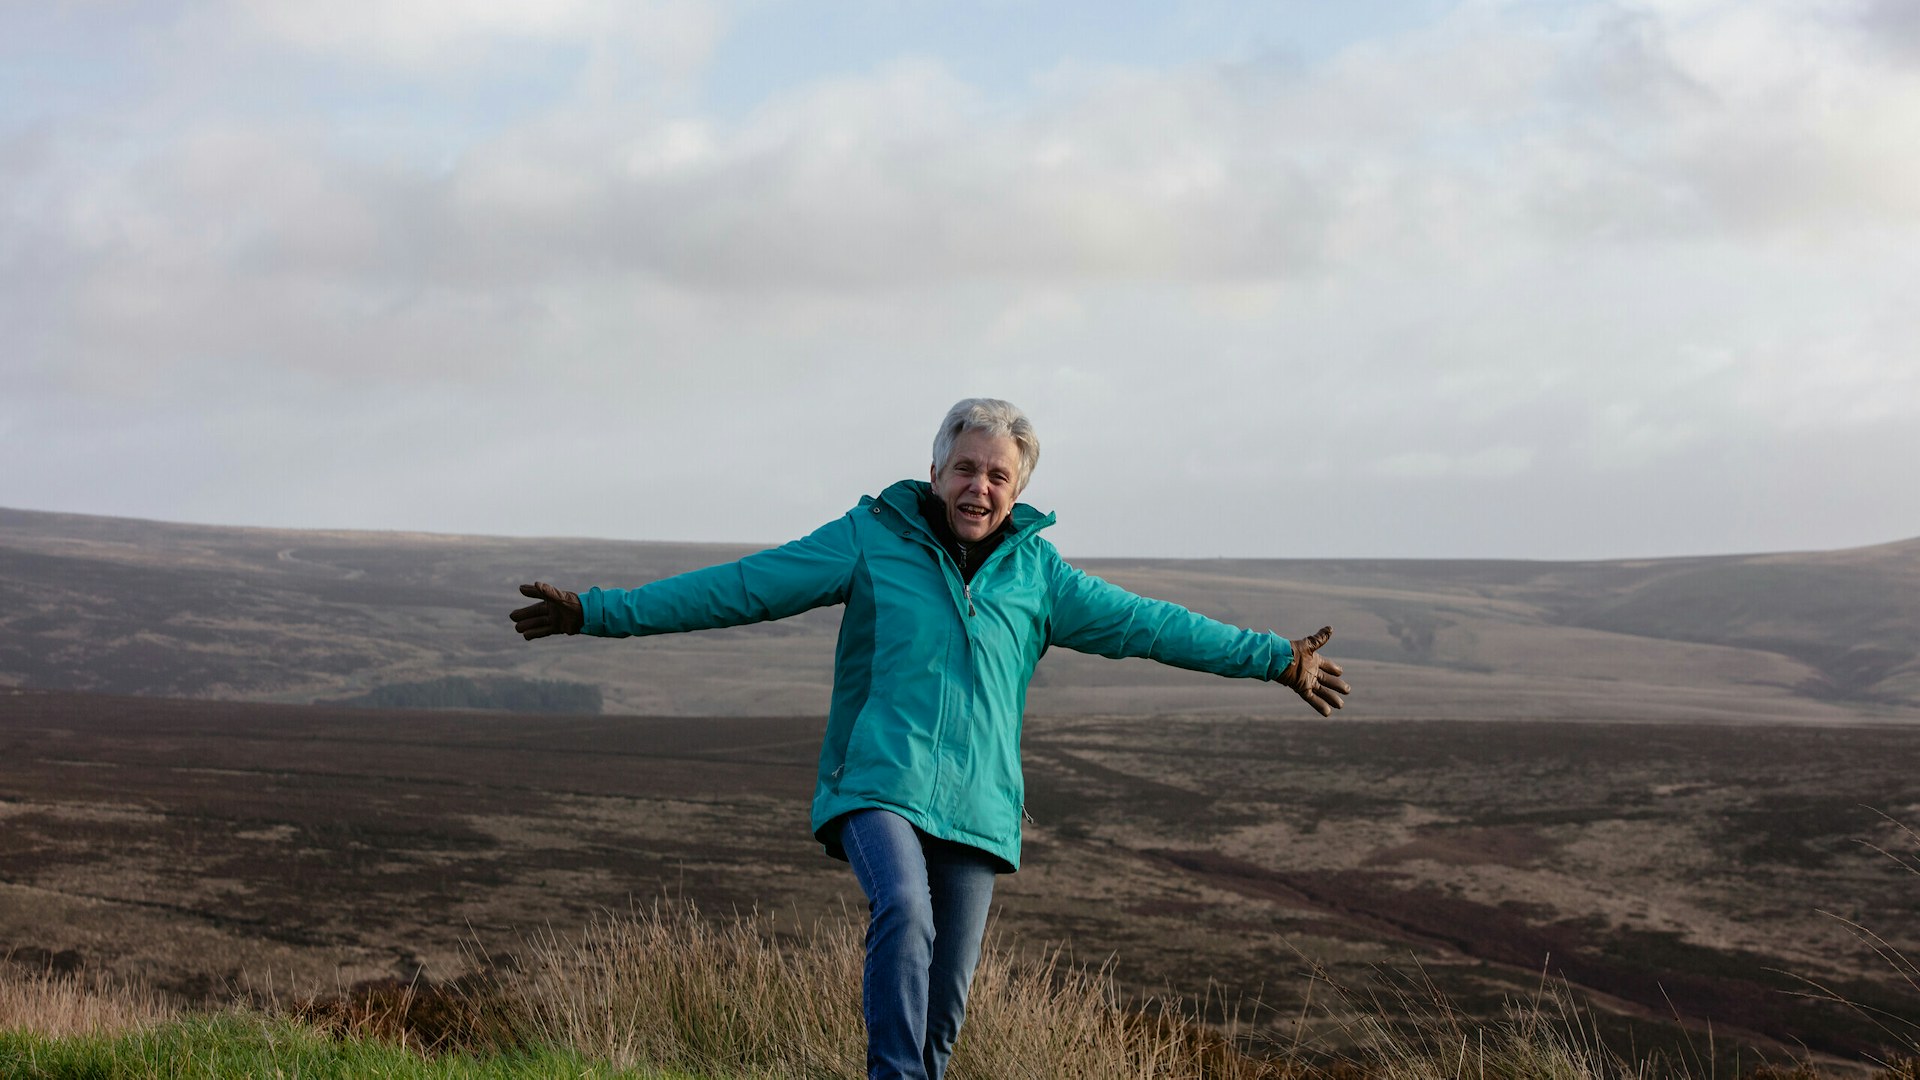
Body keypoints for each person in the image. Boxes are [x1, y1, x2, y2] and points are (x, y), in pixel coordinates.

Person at [509, 397, 1350, 1080]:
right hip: (878, 782)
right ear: (937, 471)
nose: (978, 488)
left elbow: (1153, 626)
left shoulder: (1041, 577)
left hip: (978, 807)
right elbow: (742, 587)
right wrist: (598, 613)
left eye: (997, 476)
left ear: (1016, 494)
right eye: (965, 469)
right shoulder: (871, 540)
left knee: (944, 1008)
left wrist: (1275, 659)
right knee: (902, 910)